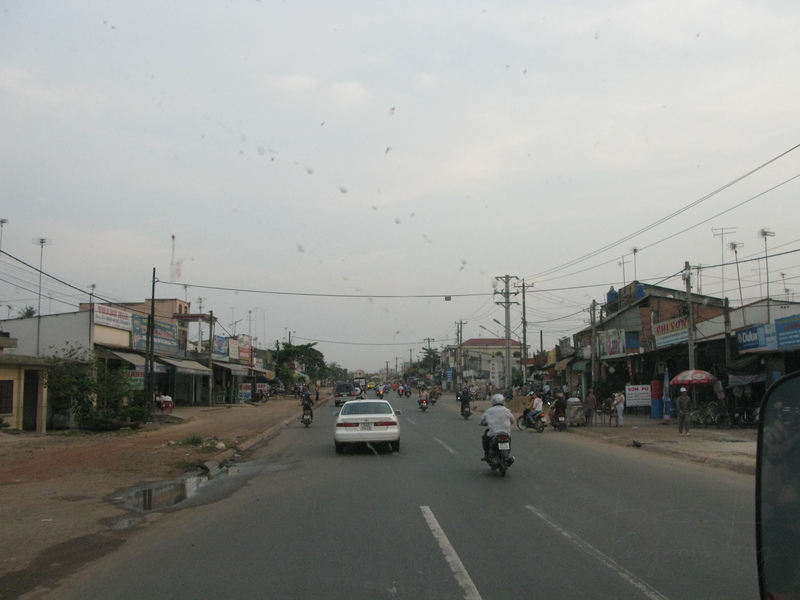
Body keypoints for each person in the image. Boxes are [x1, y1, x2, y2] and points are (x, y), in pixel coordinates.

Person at [479, 394, 516, 461]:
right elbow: (513, 420)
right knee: (509, 439)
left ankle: (487, 454)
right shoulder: (507, 410)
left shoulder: (489, 410)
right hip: (506, 433)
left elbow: (482, 419)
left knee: (485, 437)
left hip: (494, 434)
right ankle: (507, 455)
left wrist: (481, 423)